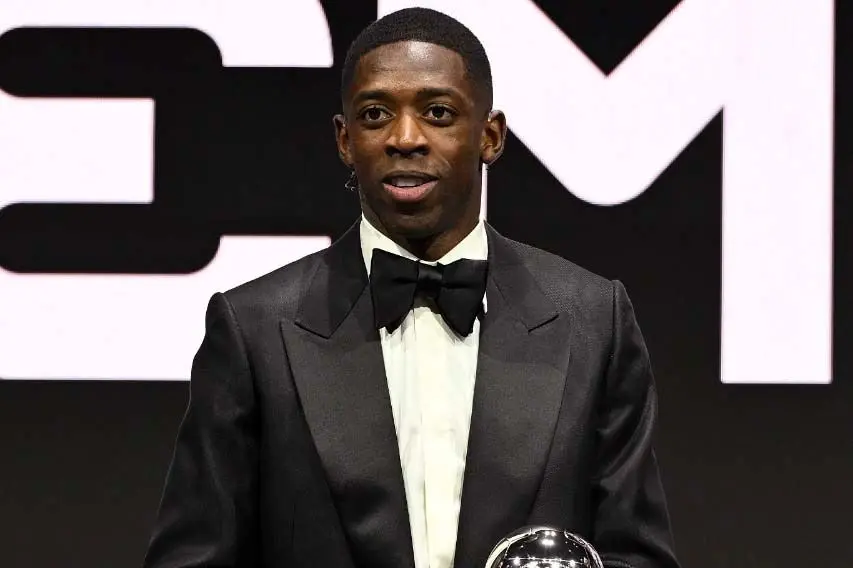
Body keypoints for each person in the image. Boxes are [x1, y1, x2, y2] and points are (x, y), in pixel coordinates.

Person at [143, 8, 680, 568]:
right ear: (345, 139)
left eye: (438, 112)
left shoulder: (592, 322)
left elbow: (638, 556)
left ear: (491, 136)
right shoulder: (254, 330)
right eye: (376, 114)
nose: (405, 138)